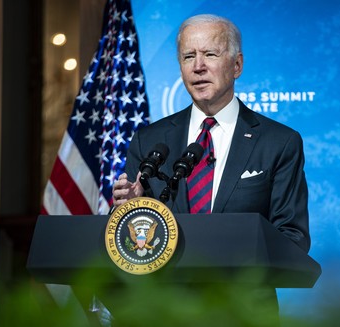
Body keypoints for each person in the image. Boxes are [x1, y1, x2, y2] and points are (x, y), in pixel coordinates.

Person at [111, 13, 310, 325]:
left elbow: (292, 237)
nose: (198, 66)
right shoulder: (149, 141)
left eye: (210, 54)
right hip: (164, 312)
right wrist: (129, 211)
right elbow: (134, 247)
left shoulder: (279, 142)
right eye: (188, 56)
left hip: (243, 313)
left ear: (237, 65)